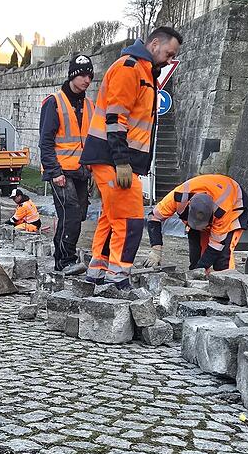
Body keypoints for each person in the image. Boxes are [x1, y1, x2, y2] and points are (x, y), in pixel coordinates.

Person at [80, 26, 183, 288]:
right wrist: (122, 161)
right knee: (130, 220)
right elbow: (116, 118)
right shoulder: (130, 68)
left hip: (112, 159)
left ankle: (98, 272)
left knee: (111, 218)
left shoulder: (143, 72)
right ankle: (118, 278)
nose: (170, 60)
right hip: (114, 159)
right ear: (154, 44)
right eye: (169, 54)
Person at [39, 54, 95, 274]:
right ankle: (65, 260)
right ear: (72, 76)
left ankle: (62, 258)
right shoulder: (54, 102)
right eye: (83, 75)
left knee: (77, 215)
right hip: (61, 171)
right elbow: (45, 141)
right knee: (70, 213)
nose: (87, 80)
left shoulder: (90, 105)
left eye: (90, 76)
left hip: (82, 170)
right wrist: (54, 172)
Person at [143, 174, 248, 272]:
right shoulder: (178, 196)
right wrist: (156, 250)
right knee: (196, 253)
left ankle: (227, 282)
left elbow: (216, 244)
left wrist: (200, 269)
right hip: (208, 199)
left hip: (235, 205)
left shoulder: (222, 212)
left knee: (222, 258)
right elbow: (154, 217)